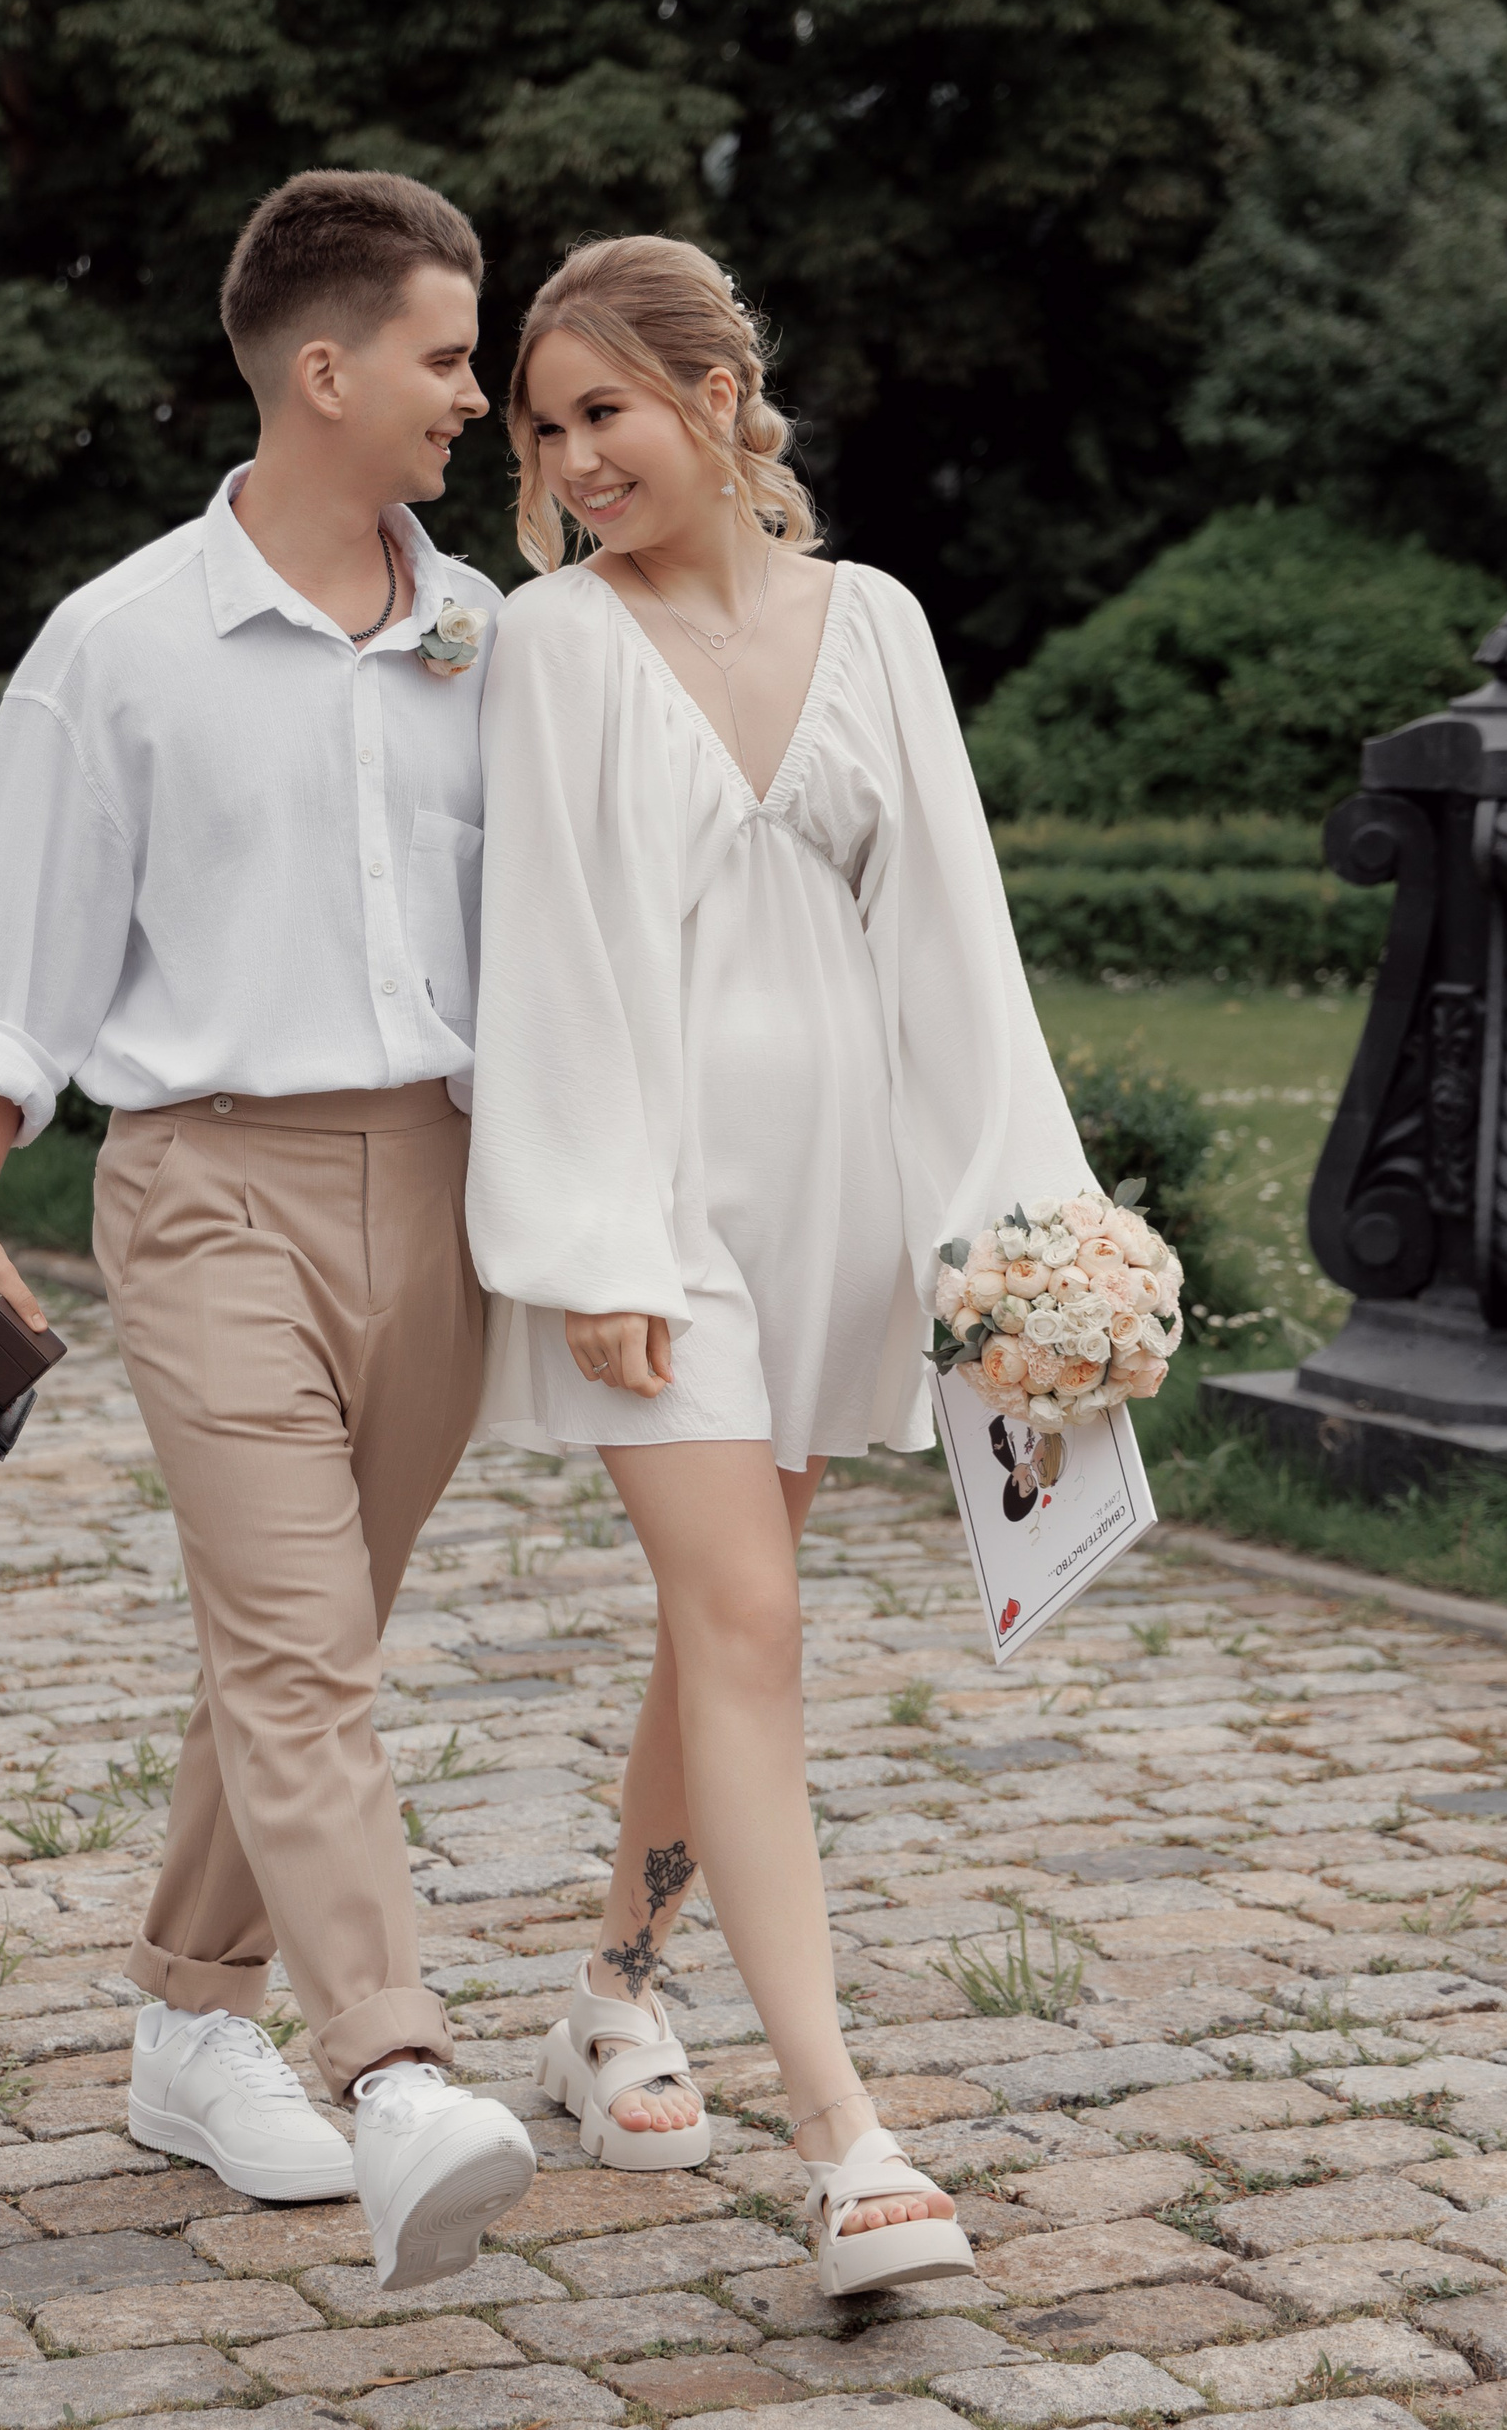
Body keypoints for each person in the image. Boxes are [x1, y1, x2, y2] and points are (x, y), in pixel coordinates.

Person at [0, 169, 537, 2292]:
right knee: (295, 1647)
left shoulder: (489, 641)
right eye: (449, 357)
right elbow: (20, 967)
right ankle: (397, 2071)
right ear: (326, 369)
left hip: (441, 1198)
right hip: (208, 1195)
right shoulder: (117, 648)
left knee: (305, 1646)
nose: (478, 396)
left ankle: (189, 2022)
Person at [466, 236, 1092, 2298]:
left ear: (719, 395)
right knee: (746, 1615)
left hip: (835, 1202)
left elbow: (956, 938)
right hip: (648, 1213)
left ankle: (610, 1990)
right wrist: (591, 1234)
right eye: (543, 431)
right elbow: (549, 949)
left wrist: (1025, 1245)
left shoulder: (877, 622)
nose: (572, 460)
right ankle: (845, 2139)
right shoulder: (556, 643)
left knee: (721, 1622)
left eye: (603, 412)